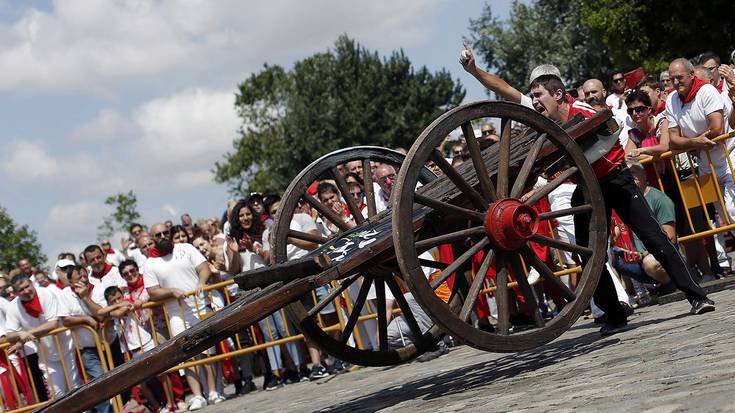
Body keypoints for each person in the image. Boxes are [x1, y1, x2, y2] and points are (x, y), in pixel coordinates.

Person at [460, 44, 714, 336]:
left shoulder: (585, 111)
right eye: (532, 97)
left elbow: (612, 136)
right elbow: (505, 89)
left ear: (558, 95)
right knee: (589, 253)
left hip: (615, 181)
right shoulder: (542, 113)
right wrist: (474, 70)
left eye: (539, 95)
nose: (534, 102)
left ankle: (697, 296)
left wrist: (562, 165)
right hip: (587, 188)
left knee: (654, 237)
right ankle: (615, 314)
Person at [143, 223, 223, 409]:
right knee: (187, 354)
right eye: (158, 234)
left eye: (165, 233)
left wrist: (202, 282)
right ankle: (197, 395)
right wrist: (171, 291)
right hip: (176, 314)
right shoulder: (150, 263)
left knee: (207, 350)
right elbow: (153, 292)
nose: (163, 236)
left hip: (200, 305)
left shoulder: (185, 248)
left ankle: (212, 391)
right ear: (152, 238)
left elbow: (204, 268)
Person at [5, 274, 82, 399]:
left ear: (31, 283)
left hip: (65, 348)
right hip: (46, 355)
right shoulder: (13, 307)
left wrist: (27, 335)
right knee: (57, 395)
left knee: (75, 388)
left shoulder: (45, 294)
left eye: (27, 286)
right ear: (16, 293)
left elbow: (53, 324)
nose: (26, 291)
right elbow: (9, 336)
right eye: (21, 290)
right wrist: (20, 334)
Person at [59, 265, 111, 413]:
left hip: (109, 344)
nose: (83, 279)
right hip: (87, 350)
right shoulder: (64, 294)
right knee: (101, 385)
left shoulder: (98, 288)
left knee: (121, 380)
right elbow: (66, 320)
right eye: (79, 277)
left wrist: (85, 297)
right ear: (70, 281)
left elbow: (102, 315)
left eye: (84, 275)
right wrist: (86, 319)